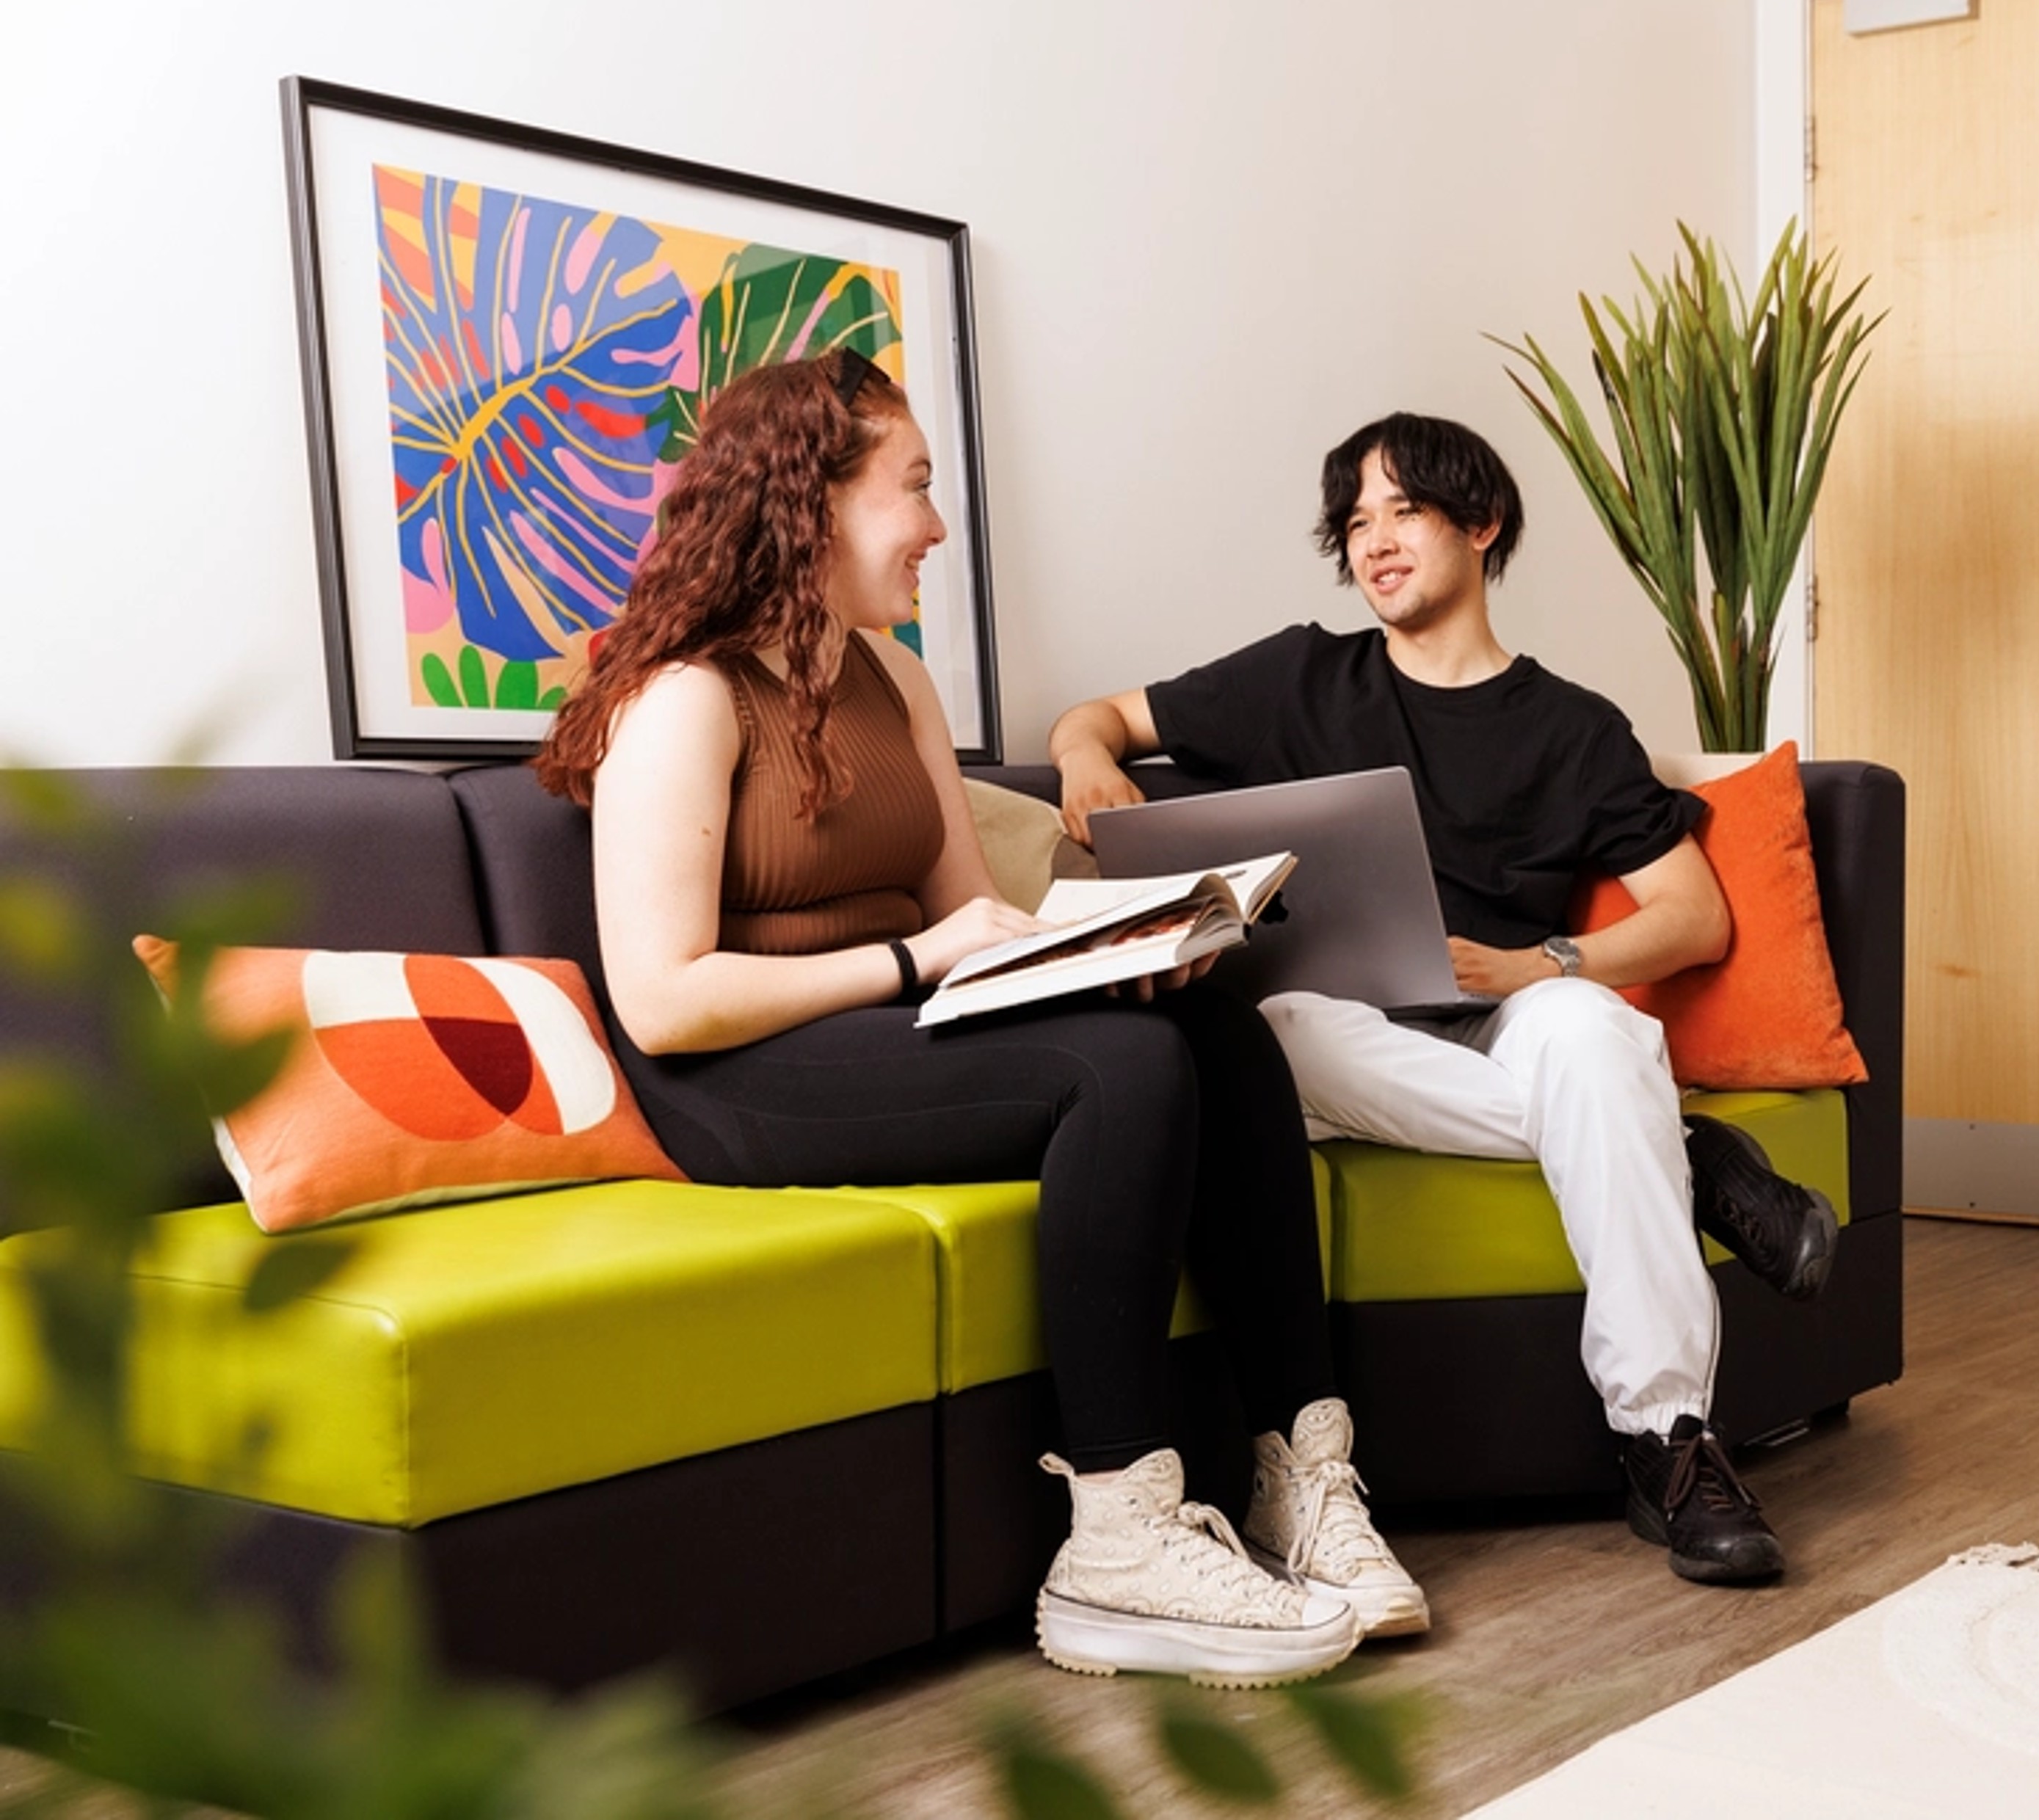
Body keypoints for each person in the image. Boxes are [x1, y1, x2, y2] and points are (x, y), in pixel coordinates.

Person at [531, 349, 1422, 1686]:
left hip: (892, 1030)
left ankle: (1302, 1467)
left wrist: (1131, 944)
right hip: (732, 1080)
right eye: (916, 489)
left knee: (1219, 1022)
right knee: (1116, 1075)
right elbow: (664, 999)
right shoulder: (686, 695)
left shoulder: (896, 683)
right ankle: (1115, 1537)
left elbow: (971, 917)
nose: (938, 527)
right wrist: (909, 961)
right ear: (812, 501)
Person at [1050, 411, 1839, 1586]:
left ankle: (1668, 1439)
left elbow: (1696, 916)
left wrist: (1538, 968)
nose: (1373, 541)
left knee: (1591, 1034)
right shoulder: (1299, 675)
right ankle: (1683, 1149)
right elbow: (1099, 715)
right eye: (1355, 522)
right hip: (1335, 1034)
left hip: (1505, 1019)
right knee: (1257, 1032)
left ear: (1482, 523)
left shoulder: (1573, 727)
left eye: (1402, 510)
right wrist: (1081, 762)